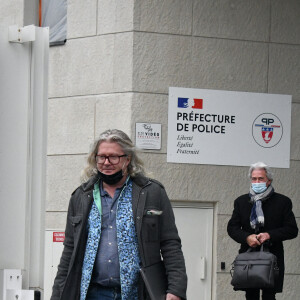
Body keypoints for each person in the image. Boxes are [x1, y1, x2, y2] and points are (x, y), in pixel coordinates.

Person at [50, 129, 187, 300]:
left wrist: (176, 289)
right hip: (93, 293)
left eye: (113, 157)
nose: (106, 162)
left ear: (127, 159)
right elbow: (70, 249)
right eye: (101, 157)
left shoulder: (151, 193)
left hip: (139, 293)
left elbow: (170, 244)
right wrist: (57, 294)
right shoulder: (81, 196)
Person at [227, 162, 298, 300]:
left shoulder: (283, 202)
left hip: (272, 257)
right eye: (254, 179)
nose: (257, 182)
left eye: (260, 179)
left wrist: (269, 235)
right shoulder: (241, 202)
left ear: (268, 180)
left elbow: (292, 230)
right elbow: (232, 228)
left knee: (269, 296)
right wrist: (247, 237)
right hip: (249, 258)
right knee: (250, 295)